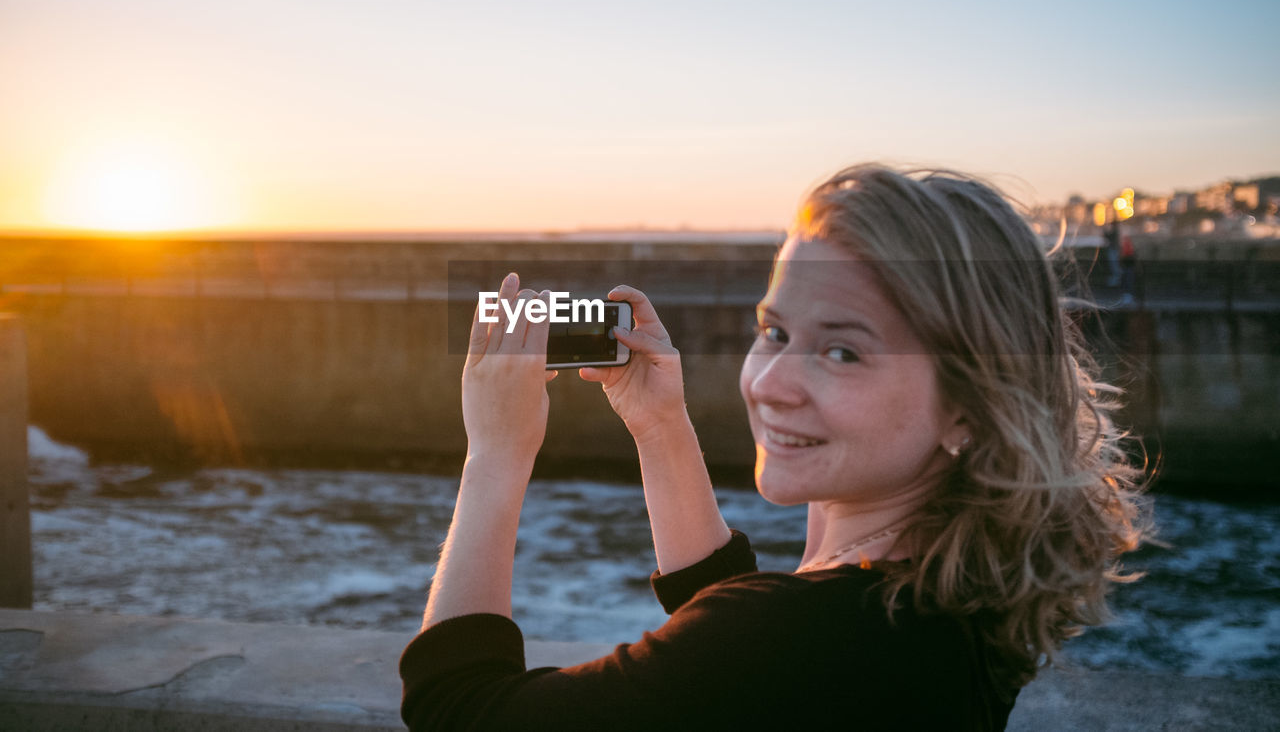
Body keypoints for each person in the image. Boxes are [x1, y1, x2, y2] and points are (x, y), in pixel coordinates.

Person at [399, 164, 1149, 731]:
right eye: (776, 333)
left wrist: (494, 455)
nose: (773, 383)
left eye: (844, 353)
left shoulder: (796, 644)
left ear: (970, 409)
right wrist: (659, 428)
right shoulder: (959, 601)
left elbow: (456, 707)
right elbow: (742, 650)